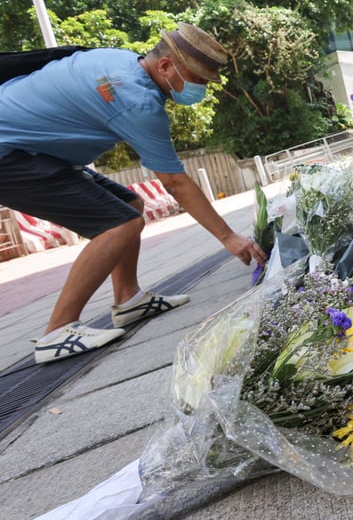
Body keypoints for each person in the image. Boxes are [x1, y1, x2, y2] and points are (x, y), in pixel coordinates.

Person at [0, 22, 267, 364]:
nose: (200, 89)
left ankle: (129, 300)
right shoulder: (137, 102)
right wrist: (229, 237)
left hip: (30, 149)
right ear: (166, 66)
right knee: (119, 224)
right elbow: (174, 182)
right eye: (197, 79)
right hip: (9, 157)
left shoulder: (120, 60)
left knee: (130, 204)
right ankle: (57, 332)